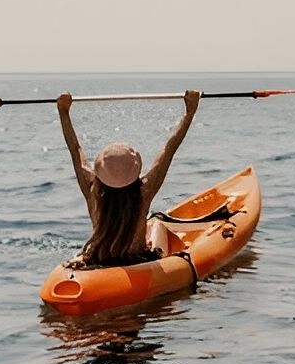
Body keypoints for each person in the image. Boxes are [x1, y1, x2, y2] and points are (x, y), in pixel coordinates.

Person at [56, 89, 201, 268]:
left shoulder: (92, 191)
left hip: (99, 260)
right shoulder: (144, 192)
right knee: (157, 234)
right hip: (137, 261)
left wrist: (63, 112)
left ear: (100, 172)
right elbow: (169, 148)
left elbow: (75, 149)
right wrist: (190, 111)